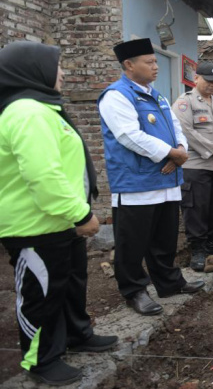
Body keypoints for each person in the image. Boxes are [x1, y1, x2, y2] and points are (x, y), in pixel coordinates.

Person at [0, 42, 118, 386]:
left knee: (69, 283)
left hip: (58, 221)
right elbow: (43, 175)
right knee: (41, 293)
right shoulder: (26, 113)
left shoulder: (41, 109)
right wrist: (81, 215)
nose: (63, 73)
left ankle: (77, 334)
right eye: (58, 67)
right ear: (34, 70)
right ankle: (41, 358)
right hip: (34, 225)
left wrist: (74, 215)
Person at [99, 38, 205, 316]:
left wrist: (180, 149)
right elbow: (129, 136)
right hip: (137, 183)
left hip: (167, 179)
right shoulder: (117, 95)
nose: (156, 66)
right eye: (150, 62)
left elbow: (175, 126)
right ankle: (134, 290)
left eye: (156, 61)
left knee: (164, 238)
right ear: (129, 65)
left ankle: (169, 282)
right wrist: (171, 153)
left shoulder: (156, 95)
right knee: (132, 242)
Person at [172, 62, 213, 271]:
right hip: (197, 164)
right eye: (208, 81)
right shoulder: (184, 102)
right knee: (196, 207)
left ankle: (212, 243)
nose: (212, 85)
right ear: (196, 78)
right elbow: (186, 131)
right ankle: (197, 248)